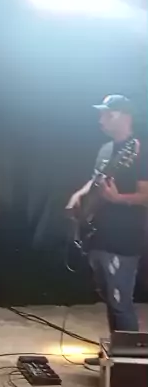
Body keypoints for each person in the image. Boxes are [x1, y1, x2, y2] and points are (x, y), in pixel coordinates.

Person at [66, 95, 148, 335]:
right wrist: (79, 195)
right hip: (98, 234)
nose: (101, 120)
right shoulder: (106, 149)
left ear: (126, 116)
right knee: (110, 298)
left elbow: (146, 195)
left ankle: (131, 354)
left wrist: (118, 199)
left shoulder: (140, 151)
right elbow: (96, 180)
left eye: (108, 114)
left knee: (120, 301)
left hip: (123, 238)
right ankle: (117, 350)